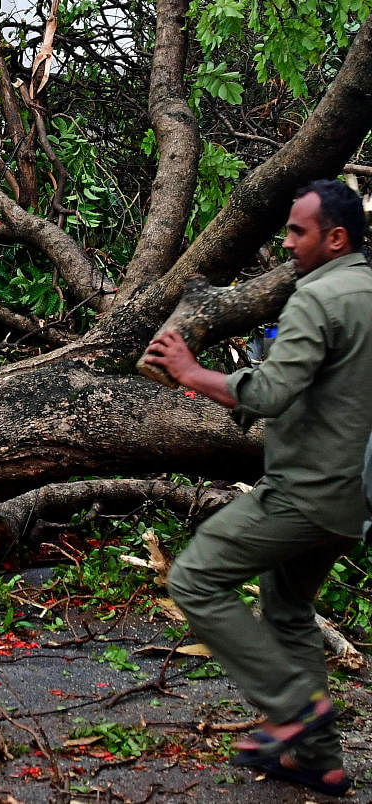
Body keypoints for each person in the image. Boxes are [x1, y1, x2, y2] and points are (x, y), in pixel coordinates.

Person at [143, 178, 371, 797]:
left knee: (194, 578)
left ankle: (294, 708)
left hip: (303, 493)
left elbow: (271, 393)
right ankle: (318, 762)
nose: (289, 242)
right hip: (351, 498)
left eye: (299, 231)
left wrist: (191, 372)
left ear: (337, 237)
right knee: (289, 610)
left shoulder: (318, 298)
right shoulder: (367, 293)